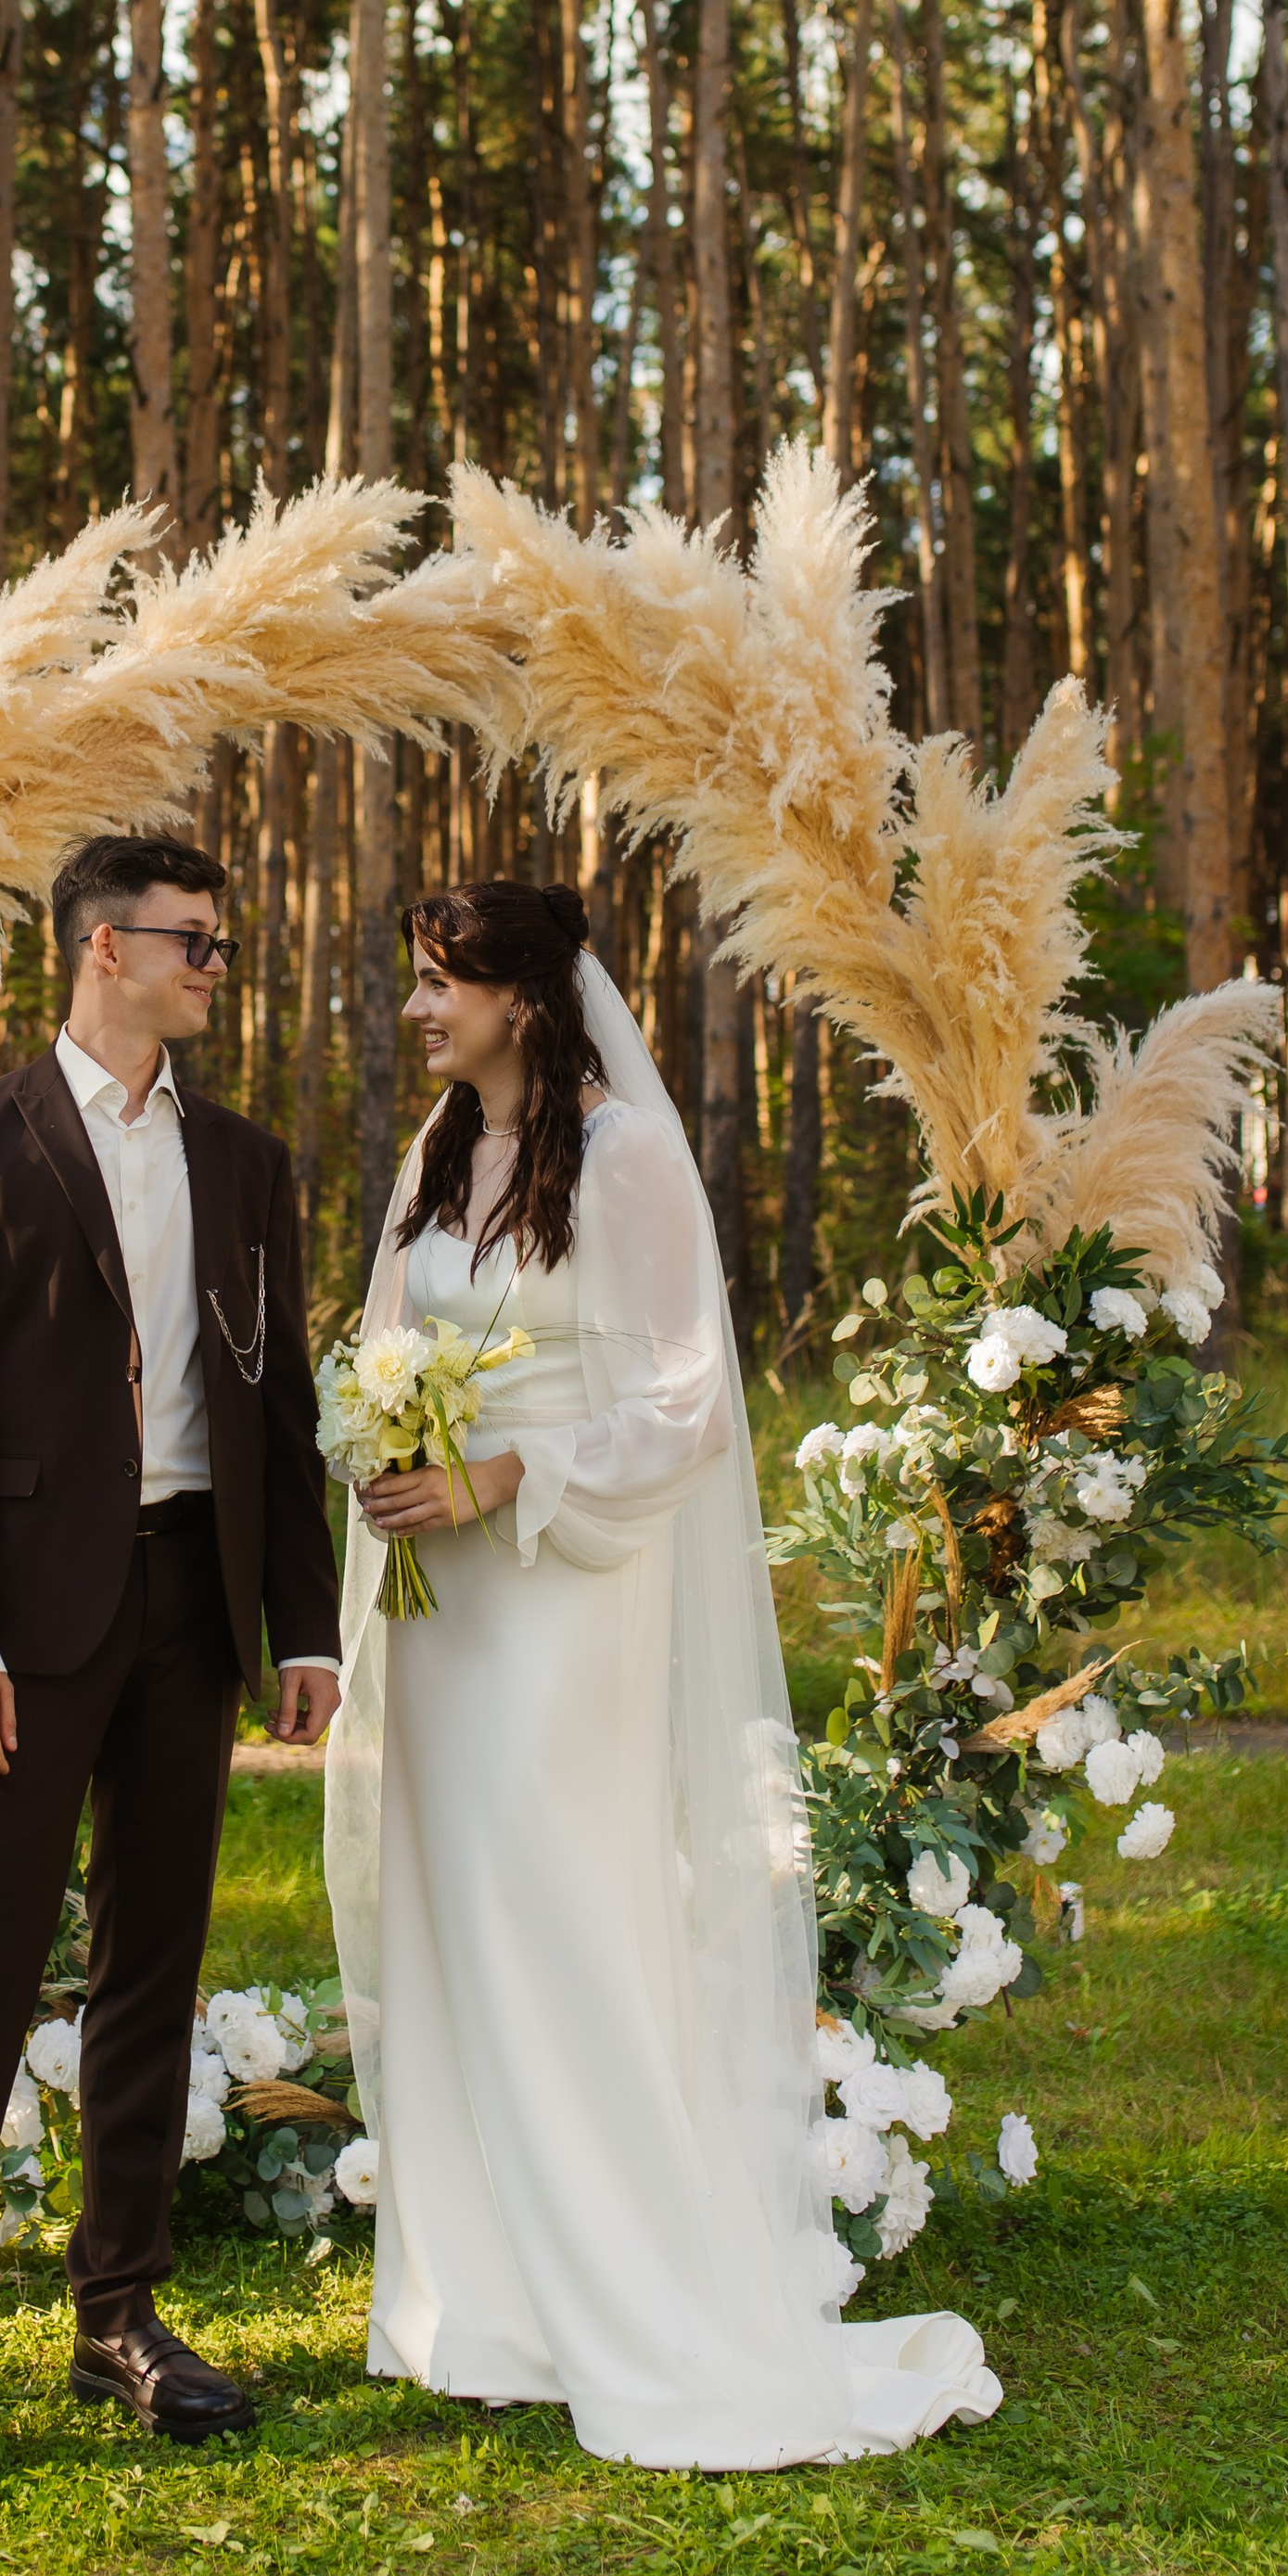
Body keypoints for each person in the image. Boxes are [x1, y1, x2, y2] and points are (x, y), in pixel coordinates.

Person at [323, 877, 1000, 2470]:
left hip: (569, 1590)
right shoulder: (433, 1156)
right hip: (443, 1613)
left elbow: (691, 1406)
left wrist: (499, 1476)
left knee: (561, 1910)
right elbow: (379, 1347)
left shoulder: (620, 1157)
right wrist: (391, 1445)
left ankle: (622, 2296)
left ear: (526, 1000)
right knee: (451, 1913)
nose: (420, 1008)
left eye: (445, 982)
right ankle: (479, 2309)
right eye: (418, 980)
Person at [0, 834, 343, 2519]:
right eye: (197, 942)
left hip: (195, 1599)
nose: (216, 967)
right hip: (22, 1630)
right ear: (104, 950)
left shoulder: (247, 1163)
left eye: (218, 944)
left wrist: (304, 1624)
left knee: (151, 1966)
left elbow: (281, 1404)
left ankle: (120, 2316)